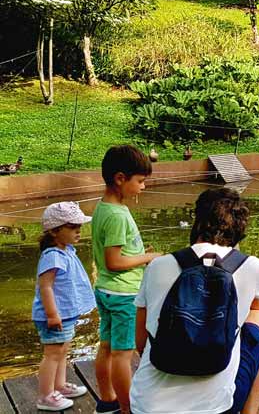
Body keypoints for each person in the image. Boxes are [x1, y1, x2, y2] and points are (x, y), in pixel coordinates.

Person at [130, 187, 259, 414]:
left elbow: (140, 340)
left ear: (197, 219)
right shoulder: (253, 267)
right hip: (216, 408)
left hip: (147, 406)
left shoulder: (159, 265)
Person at [91, 145, 159, 414]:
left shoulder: (103, 206)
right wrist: (148, 258)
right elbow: (114, 261)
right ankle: (127, 407)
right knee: (122, 353)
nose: (142, 187)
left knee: (107, 347)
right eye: (140, 181)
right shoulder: (118, 215)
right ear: (120, 178)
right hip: (123, 295)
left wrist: (141, 253)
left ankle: (107, 400)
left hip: (106, 290)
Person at [33, 202, 96, 411]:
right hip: (55, 314)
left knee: (63, 349)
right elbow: (46, 286)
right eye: (72, 227)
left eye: (79, 226)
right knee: (52, 353)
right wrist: (52, 314)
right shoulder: (53, 255)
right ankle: (45, 396)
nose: (78, 230)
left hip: (66, 313)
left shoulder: (67, 250)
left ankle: (58, 386)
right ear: (54, 231)